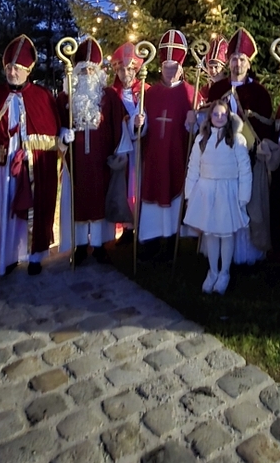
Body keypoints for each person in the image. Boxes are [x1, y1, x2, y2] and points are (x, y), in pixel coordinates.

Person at [0, 34, 63, 276]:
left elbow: (53, 134)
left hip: (32, 165)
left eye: (18, 68)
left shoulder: (42, 96)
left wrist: (54, 140)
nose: (12, 72)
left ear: (28, 70)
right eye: (9, 68)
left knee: (34, 208)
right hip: (1, 164)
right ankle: (7, 256)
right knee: (4, 208)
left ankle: (34, 256)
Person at [207, 27, 280, 260]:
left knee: (250, 203)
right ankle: (222, 251)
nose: (237, 64)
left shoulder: (259, 92)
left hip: (250, 157)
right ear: (228, 62)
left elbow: (266, 125)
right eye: (234, 59)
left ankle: (249, 253)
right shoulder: (217, 89)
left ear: (249, 64)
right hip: (223, 158)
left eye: (242, 59)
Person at [57, 36, 124, 265]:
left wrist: (117, 153)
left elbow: (118, 126)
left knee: (98, 199)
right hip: (75, 161)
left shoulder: (109, 96)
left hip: (100, 161)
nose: (86, 73)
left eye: (91, 69)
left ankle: (98, 244)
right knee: (77, 200)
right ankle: (79, 245)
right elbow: (55, 126)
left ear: (98, 71)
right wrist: (63, 135)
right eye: (82, 69)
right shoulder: (65, 97)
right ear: (75, 71)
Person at [183, 99, 252, 294]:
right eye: (215, 114)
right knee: (211, 233)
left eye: (223, 114)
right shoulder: (202, 139)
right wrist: (190, 194)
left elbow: (245, 170)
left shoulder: (237, 140)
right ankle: (212, 271)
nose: (219, 118)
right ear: (210, 117)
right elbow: (193, 167)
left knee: (226, 233)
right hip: (206, 191)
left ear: (228, 117)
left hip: (227, 191)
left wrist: (243, 197)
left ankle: (224, 272)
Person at [137, 29, 195, 256]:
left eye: (174, 67)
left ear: (181, 68)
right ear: (161, 67)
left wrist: (193, 122)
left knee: (174, 194)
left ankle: (171, 241)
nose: (170, 71)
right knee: (151, 196)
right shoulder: (150, 93)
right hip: (153, 156)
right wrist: (139, 124)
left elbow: (199, 131)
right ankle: (150, 241)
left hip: (177, 155)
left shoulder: (191, 93)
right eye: (166, 66)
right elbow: (141, 128)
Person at [104, 41, 145, 245]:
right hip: (122, 148)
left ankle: (142, 224)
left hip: (142, 148)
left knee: (140, 185)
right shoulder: (112, 94)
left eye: (129, 69)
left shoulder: (146, 91)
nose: (125, 74)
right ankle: (128, 226)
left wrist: (141, 124)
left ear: (136, 70)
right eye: (121, 70)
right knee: (126, 187)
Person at [197, 36, 229, 104]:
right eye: (210, 67)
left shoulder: (231, 87)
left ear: (223, 68)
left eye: (216, 67)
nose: (213, 71)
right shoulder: (205, 90)